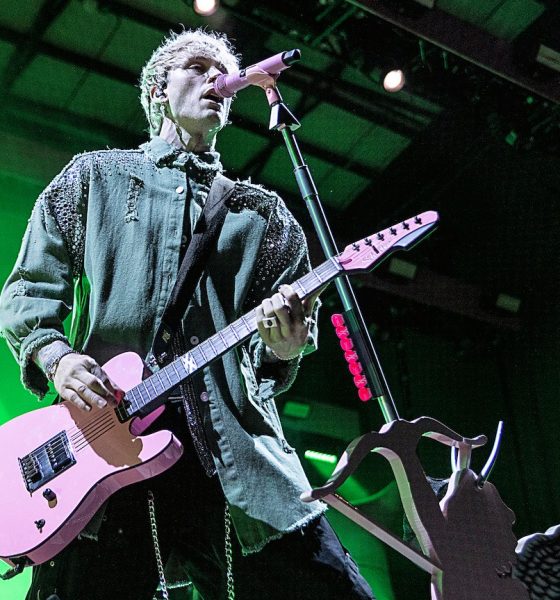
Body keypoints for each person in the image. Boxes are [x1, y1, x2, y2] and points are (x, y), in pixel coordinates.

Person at [0, 29, 374, 600]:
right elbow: (29, 287)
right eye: (197, 68)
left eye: (224, 72)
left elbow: (269, 366)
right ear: (157, 90)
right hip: (104, 443)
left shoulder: (264, 217)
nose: (216, 81)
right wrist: (58, 358)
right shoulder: (93, 178)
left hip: (236, 456)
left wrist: (283, 346)